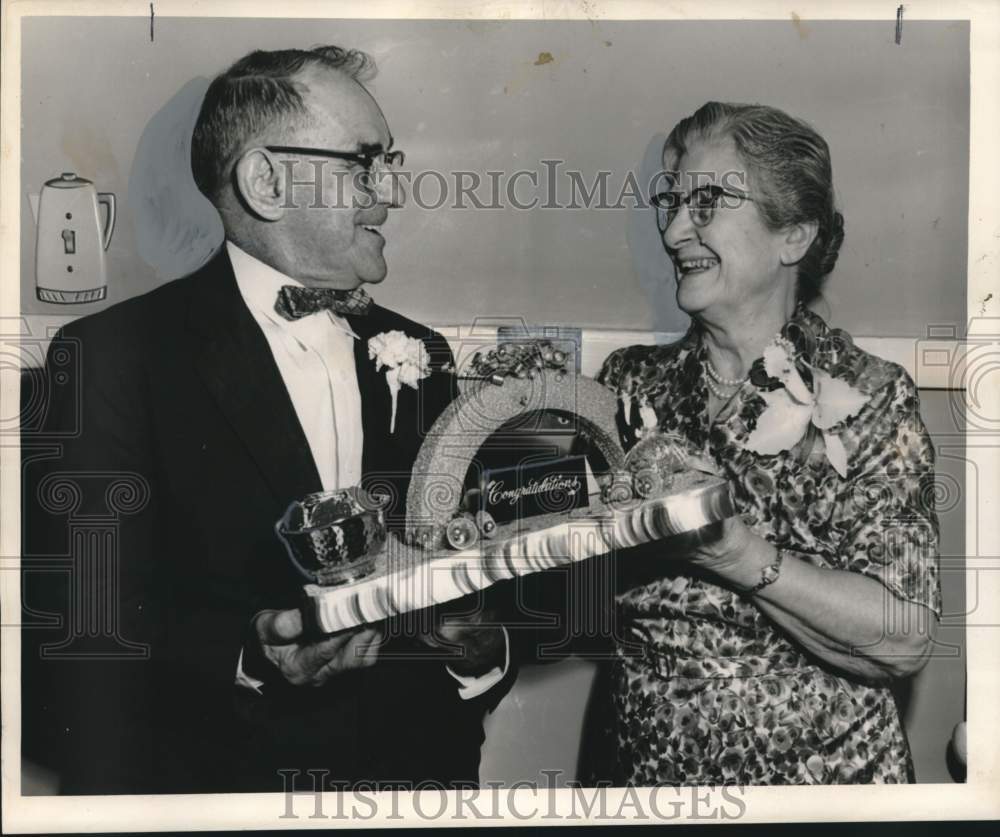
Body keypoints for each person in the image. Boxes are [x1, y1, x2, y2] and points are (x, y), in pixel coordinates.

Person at [21, 45, 509, 795]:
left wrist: (479, 652)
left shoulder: (424, 356)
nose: (389, 191)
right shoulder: (110, 356)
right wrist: (250, 655)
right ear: (266, 180)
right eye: (364, 162)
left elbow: (458, 605)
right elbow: (74, 628)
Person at [592, 102, 941, 785]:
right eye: (672, 203)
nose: (671, 230)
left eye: (707, 202)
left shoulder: (872, 397)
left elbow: (904, 633)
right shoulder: (629, 385)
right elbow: (583, 596)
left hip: (818, 794)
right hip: (645, 784)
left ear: (795, 236)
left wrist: (738, 554)